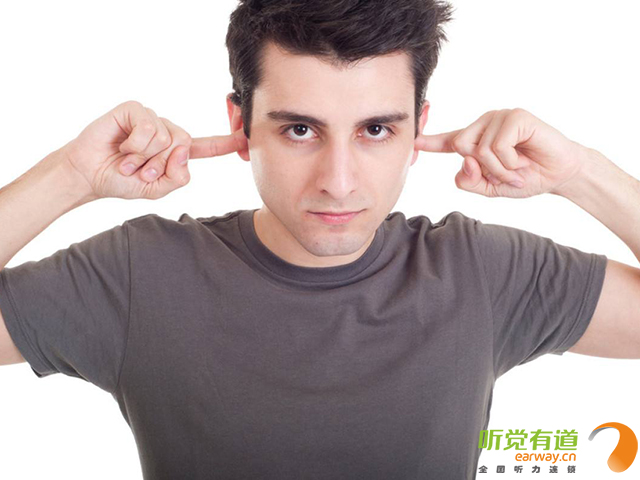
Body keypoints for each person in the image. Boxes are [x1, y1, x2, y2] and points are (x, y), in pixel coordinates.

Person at [0, 0, 638, 478]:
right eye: (300, 130)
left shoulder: (482, 272)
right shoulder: (140, 273)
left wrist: (580, 173)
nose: (338, 182)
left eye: (375, 130)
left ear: (418, 129)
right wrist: (70, 176)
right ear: (242, 124)